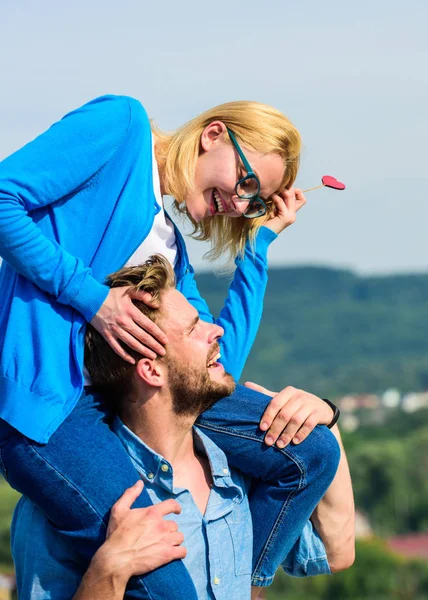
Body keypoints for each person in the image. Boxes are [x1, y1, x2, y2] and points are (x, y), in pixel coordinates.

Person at [0, 95, 338, 599]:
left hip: (131, 398)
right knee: (166, 577)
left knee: (311, 453)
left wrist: (260, 245)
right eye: (246, 182)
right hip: (57, 411)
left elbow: (214, 366)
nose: (242, 204)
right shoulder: (121, 127)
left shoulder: (170, 249)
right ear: (214, 135)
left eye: (257, 199)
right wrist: (93, 299)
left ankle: (240, 585)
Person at [11, 256, 355, 600]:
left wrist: (325, 419)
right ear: (151, 371)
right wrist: (108, 571)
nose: (216, 330)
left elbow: (335, 551)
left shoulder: (243, 474)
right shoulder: (69, 504)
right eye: (193, 329)